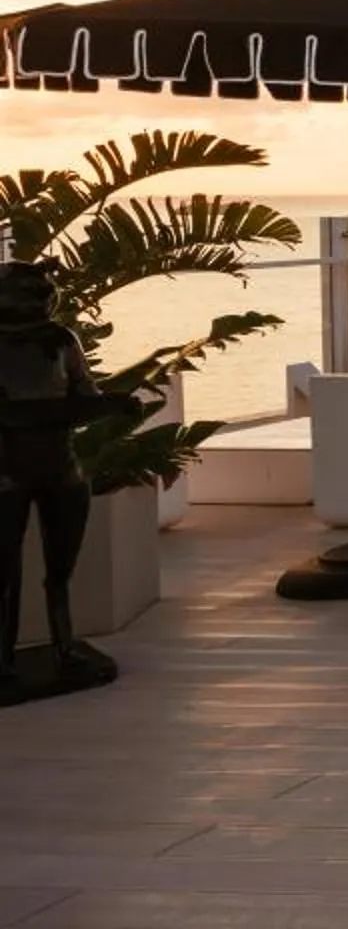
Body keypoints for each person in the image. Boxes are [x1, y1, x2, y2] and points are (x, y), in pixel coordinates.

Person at [0, 256, 134, 691]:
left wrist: (110, 405)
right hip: (6, 473)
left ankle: (64, 646)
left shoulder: (61, 341)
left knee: (60, 570)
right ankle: (3, 658)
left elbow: (84, 397)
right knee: (4, 572)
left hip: (61, 468)